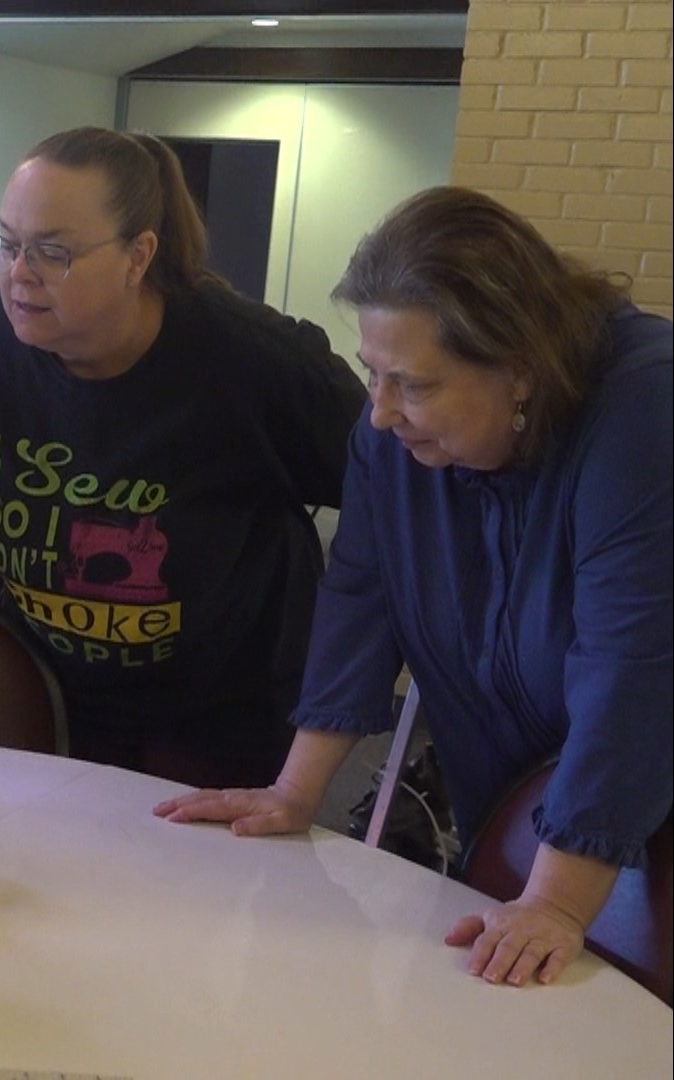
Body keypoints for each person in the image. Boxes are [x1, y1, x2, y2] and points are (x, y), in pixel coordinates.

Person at [156, 187, 672, 990]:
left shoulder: (645, 409)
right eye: (372, 373)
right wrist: (295, 791)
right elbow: (362, 594)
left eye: (415, 384)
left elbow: (634, 664)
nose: (381, 413)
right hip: (502, 764)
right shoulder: (394, 432)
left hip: (646, 789)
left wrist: (560, 902)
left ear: (522, 369)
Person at [0, 127, 366, 789]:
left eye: (53, 252)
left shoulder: (260, 363)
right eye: (7, 244)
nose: (19, 273)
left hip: (223, 708)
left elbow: (388, 498)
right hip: (47, 686)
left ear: (139, 255)